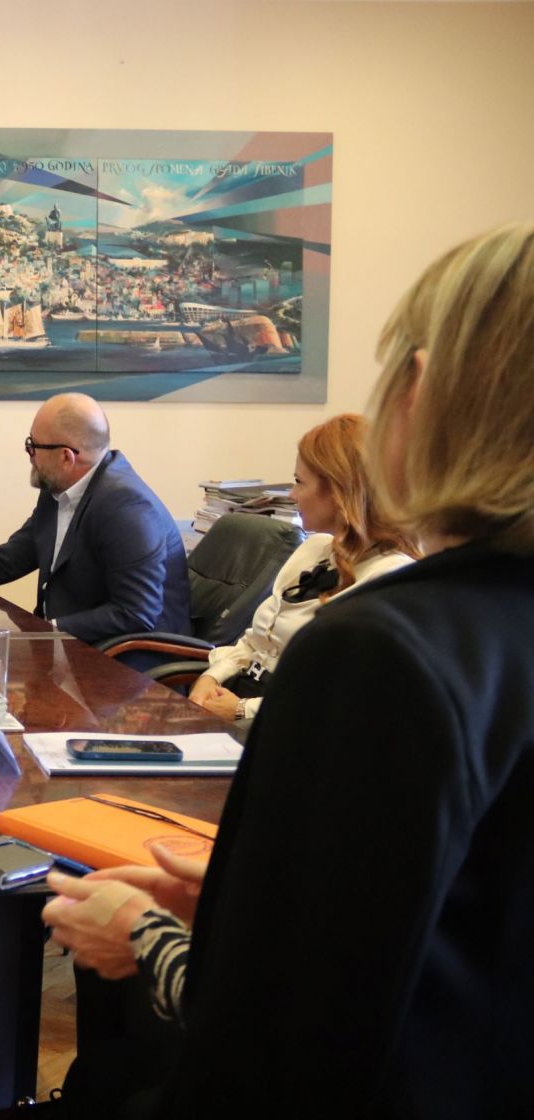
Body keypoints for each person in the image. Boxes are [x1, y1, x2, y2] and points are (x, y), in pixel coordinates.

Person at [43, 223, 534, 1115]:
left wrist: (144, 934)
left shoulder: (381, 652)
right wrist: (245, 911)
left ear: (423, 392)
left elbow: (276, 1052)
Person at [0, 393, 188, 644]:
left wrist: (44, 629)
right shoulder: (60, 487)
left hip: (128, 665)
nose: (29, 454)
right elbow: (11, 559)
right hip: (70, 645)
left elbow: (135, 614)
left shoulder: (127, 507)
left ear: (66, 456)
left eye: (33, 446)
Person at [188, 413, 417, 723]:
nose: (293, 495)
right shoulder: (314, 549)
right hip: (240, 699)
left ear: (339, 491)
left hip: (288, 725)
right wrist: (211, 677)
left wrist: (241, 710)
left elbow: (341, 696)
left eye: (299, 482)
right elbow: (255, 643)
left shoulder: (390, 579)